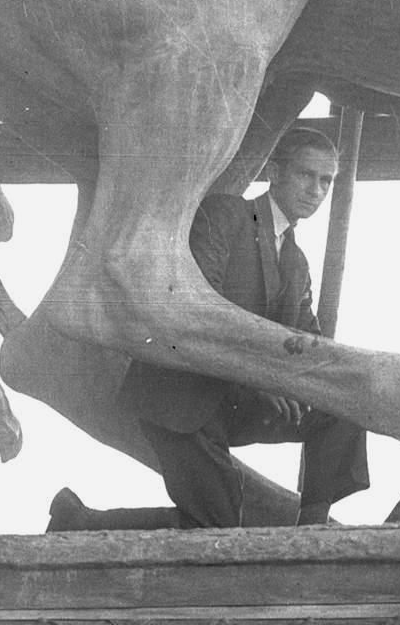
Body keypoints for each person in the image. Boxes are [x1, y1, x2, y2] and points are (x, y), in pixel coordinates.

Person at [117, 121, 370, 527]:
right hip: (182, 395)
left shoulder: (297, 263)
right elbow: (200, 312)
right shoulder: (225, 215)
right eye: (306, 175)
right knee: (216, 526)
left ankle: (312, 529)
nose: (316, 190)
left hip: (238, 399)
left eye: (326, 181)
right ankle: (77, 521)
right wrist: (263, 380)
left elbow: (310, 344)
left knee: (344, 401)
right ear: (275, 172)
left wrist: (356, 381)